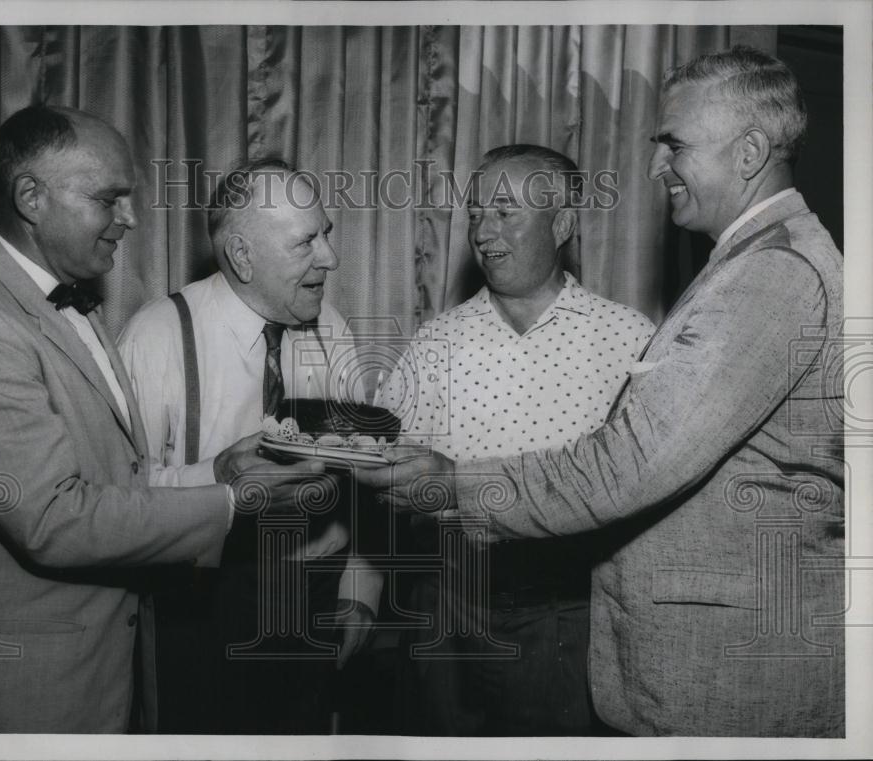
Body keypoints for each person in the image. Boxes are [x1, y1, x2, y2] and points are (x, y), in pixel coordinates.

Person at [357, 46, 844, 737]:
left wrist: (455, 483)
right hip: (460, 601)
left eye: (673, 144)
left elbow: (628, 465)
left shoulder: (772, 274)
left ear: (750, 151)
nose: (654, 167)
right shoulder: (749, 263)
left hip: (722, 673)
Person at [0, 106, 327, 733]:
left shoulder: (71, 304)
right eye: (109, 198)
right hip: (15, 690)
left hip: (99, 675)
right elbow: (52, 520)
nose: (129, 218)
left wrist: (220, 468)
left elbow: (113, 480)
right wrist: (230, 501)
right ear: (30, 198)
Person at [378, 144, 655, 735]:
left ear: (562, 224)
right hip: (444, 601)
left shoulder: (628, 340)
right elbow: (382, 467)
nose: (483, 230)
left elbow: (647, 486)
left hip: (565, 609)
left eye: (505, 211)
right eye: (476, 213)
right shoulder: (436, 340)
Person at [118, 159, 382, 733]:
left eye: (326, 235)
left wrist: (361, 587)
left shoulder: (330, 327)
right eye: (306, 242)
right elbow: (119, 501)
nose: (330, 259)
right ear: (242, 255)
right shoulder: (157, 335)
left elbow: (361, 469)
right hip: (200, 610)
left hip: (312, 598)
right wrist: (218, 478)